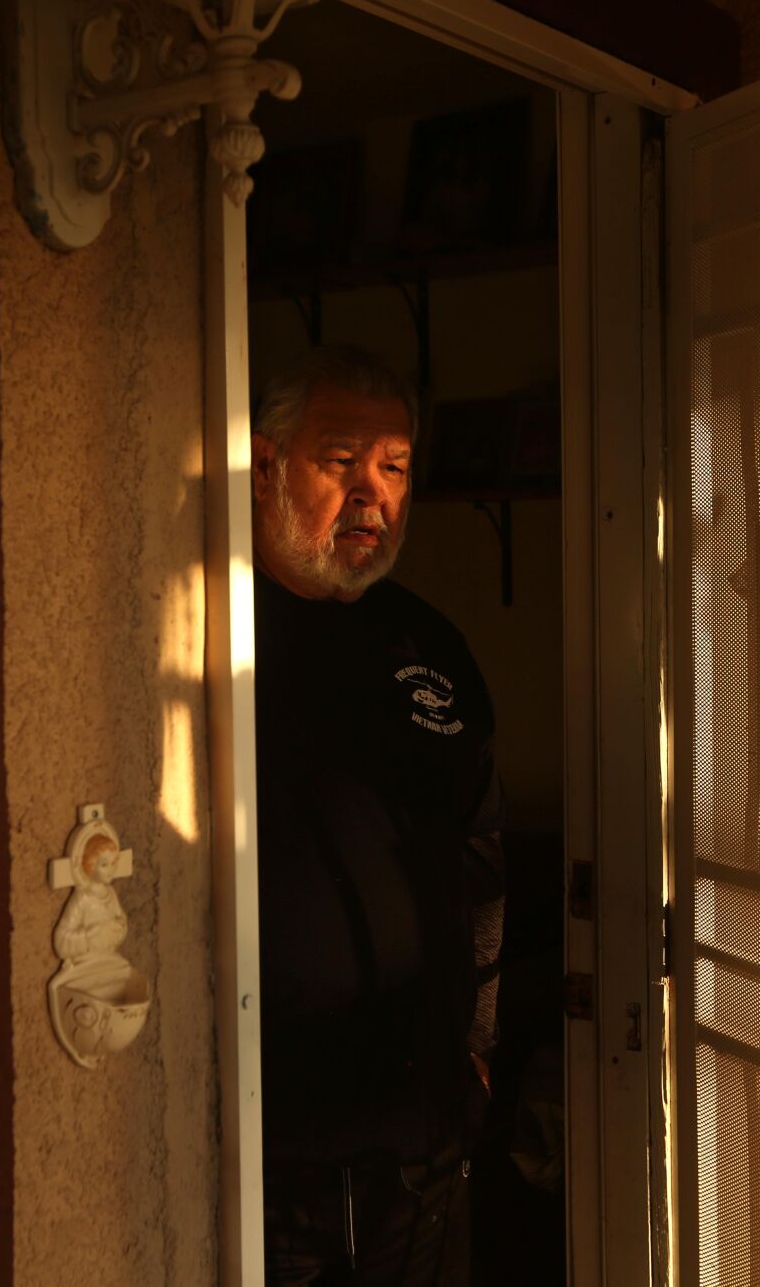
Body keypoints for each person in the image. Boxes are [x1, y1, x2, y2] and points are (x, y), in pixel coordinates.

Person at [252, 345, 505, 1285]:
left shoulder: (429, 644)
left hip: (421, 1154)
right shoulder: (210, 630)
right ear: (266, 463)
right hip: (270, 1159)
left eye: (394, 467)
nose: (373, 495)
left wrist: (478, 1049)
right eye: (341, 461)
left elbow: (483, 860)